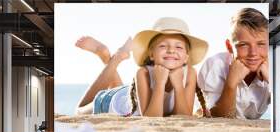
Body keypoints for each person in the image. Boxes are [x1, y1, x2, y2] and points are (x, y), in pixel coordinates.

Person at [75, 17, 210, 117]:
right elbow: (151, 118)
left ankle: (110, 58)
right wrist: (159, 83)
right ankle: (113, 59)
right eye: (163, 46)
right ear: (151, 54)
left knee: (123, 94)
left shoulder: (190, 73)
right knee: (79, 111)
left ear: (186, 56)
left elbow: (183, 116)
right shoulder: (143, 73)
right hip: (113, 101)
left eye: (179, 46)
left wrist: (178, 86)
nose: (171, 50)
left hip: (130, 96)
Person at [197, 8, 270, 119]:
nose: (253, 53)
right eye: (244, 45)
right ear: (229, 46)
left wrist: (271, 80)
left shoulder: (273, 68)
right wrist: (231, 84)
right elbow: (218, 117)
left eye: (261, 44)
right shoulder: (214, 66)